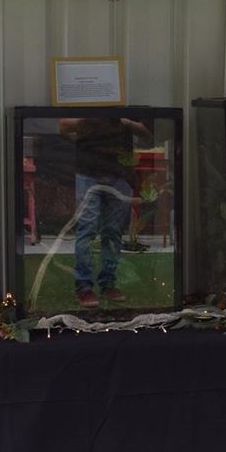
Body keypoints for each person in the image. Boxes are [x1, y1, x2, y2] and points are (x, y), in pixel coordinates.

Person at [58, 116, 150, 308]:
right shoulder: (86, 103)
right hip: (88, 172)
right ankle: (84, 286)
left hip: (119, 174)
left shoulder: (125, 108)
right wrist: (89, 125)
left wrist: (126, 122)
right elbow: (63, 125)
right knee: (87, 229)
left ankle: (108, 283)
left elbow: (147, 133)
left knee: (113, 230)